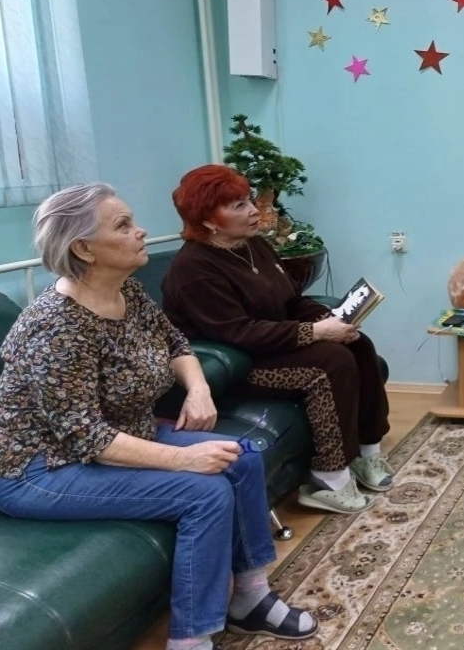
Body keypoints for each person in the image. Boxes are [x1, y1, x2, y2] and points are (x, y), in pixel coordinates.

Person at [0, 184, 315, 650]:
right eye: (123, 225)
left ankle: (249, 596)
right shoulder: (53, 326)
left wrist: (199, 389)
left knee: (242, 457)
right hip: (39, 471)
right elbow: (85, 436)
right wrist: (184, 459)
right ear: (84, 249)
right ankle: (188, 648)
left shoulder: (126, 293)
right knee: (205, 491)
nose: (141, 231)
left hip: (120, 436)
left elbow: (176, 343)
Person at [161, 165, 392, 515]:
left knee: (358, 345)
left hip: (271, 345)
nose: (254, 210)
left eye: (249, 200)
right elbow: (239, 332)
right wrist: (315, 333)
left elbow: (291, 300)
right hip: (236, 363)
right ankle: (329, 478)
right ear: (208, 221)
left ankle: (367, 453)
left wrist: (327, 318)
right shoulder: (193, 269)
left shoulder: (253, 245)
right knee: (331, 363)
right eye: (238, 206)